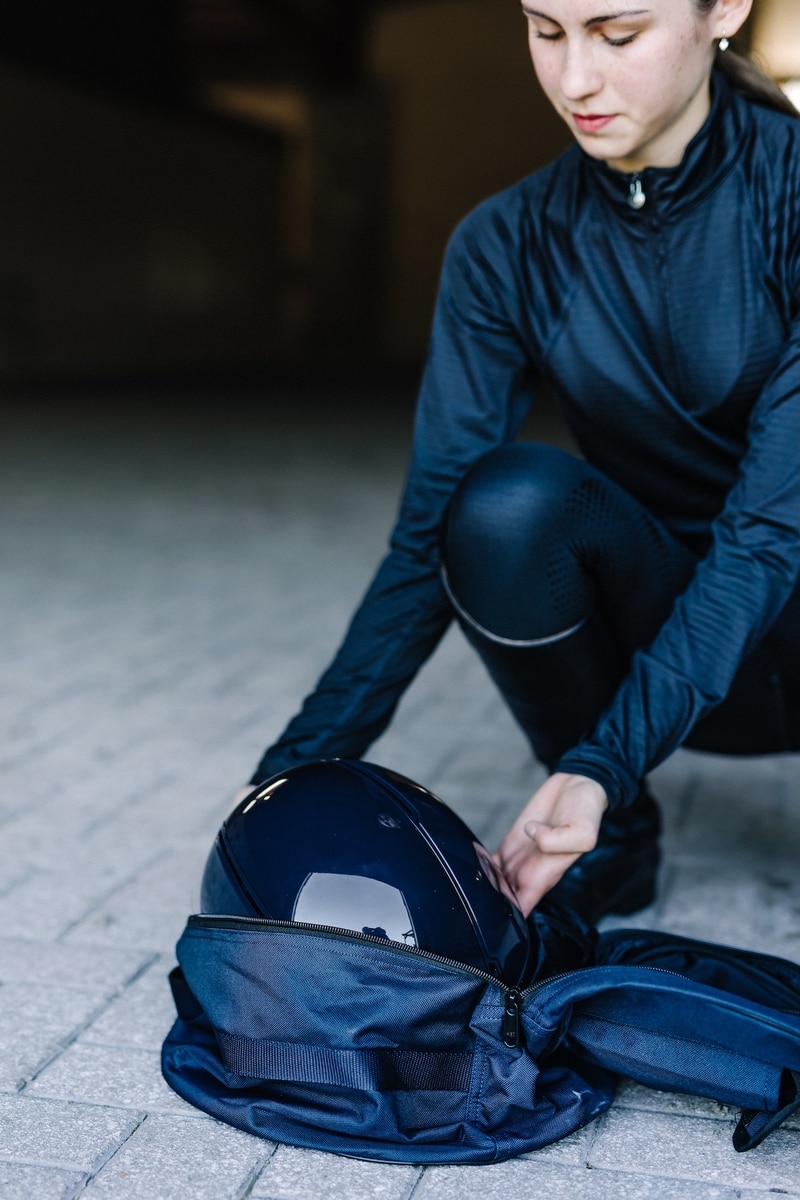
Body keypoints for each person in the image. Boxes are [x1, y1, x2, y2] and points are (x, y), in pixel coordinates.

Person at [243, 0, 800, 925]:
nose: (575, 79)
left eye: (618, 35)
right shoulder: (506, 244)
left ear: (727, 10)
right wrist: (285, 777)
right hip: (674, 643)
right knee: (502, 509)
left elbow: (770, 533)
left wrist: (600, 762)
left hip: (786, 596)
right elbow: (426, 536)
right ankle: (617, 843)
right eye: (546, 31)